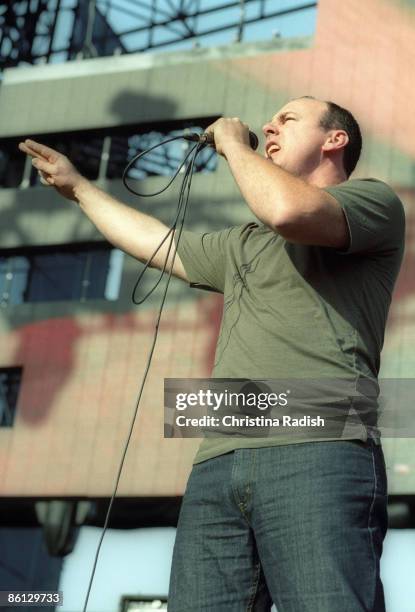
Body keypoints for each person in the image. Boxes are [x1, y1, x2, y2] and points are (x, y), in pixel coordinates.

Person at [19, 95, 405, 611]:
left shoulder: (373, 202)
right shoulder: (245, 242)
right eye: (268, 122)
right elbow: (158, 242)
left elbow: (288, 210)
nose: (269, 126)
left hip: (321, 446)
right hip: (220, 459)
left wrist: (230, 145)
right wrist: (79, 190)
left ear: (335, 140)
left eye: (287, 119)